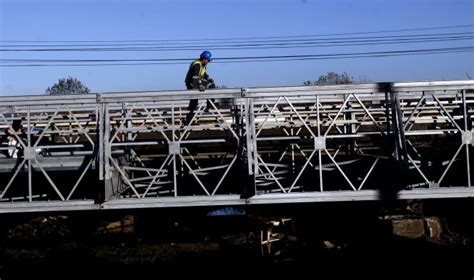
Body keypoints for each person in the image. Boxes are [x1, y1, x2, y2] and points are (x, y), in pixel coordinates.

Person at [184, 50, 216, 125]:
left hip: (195, 82)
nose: (208, 62)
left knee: (194, 102)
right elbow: (195, 78)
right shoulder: (197, 65)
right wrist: (200, 85)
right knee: (211, 86)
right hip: (192, 83)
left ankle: (189, 121)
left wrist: (208, 78)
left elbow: (203, 74)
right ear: (204, 59)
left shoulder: (202, 65)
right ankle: (209, 105)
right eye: (208, 60)